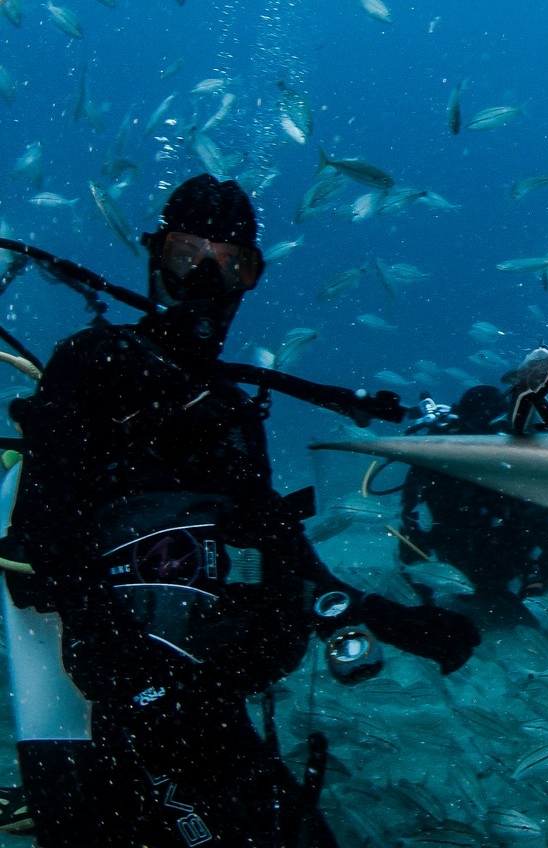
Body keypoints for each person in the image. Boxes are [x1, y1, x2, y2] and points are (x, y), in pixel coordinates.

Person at [2, 174, 480, 847]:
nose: (202, 277)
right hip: (119, 709)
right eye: (185, 254)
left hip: (211, 698)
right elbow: (42, 538)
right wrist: (132, 678)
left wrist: (378, 615)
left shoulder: (233, 414)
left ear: (252, 279)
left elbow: (278, 548)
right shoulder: (93, 363)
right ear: (153, 257)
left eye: (228, 264)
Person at [395, 385, 548, 629]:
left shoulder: (516, 451)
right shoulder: (437, 458)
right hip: (464, 556)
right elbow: (411, 530)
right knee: (486, 604)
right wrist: (425, 596)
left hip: (518, 542)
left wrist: (538, 572)